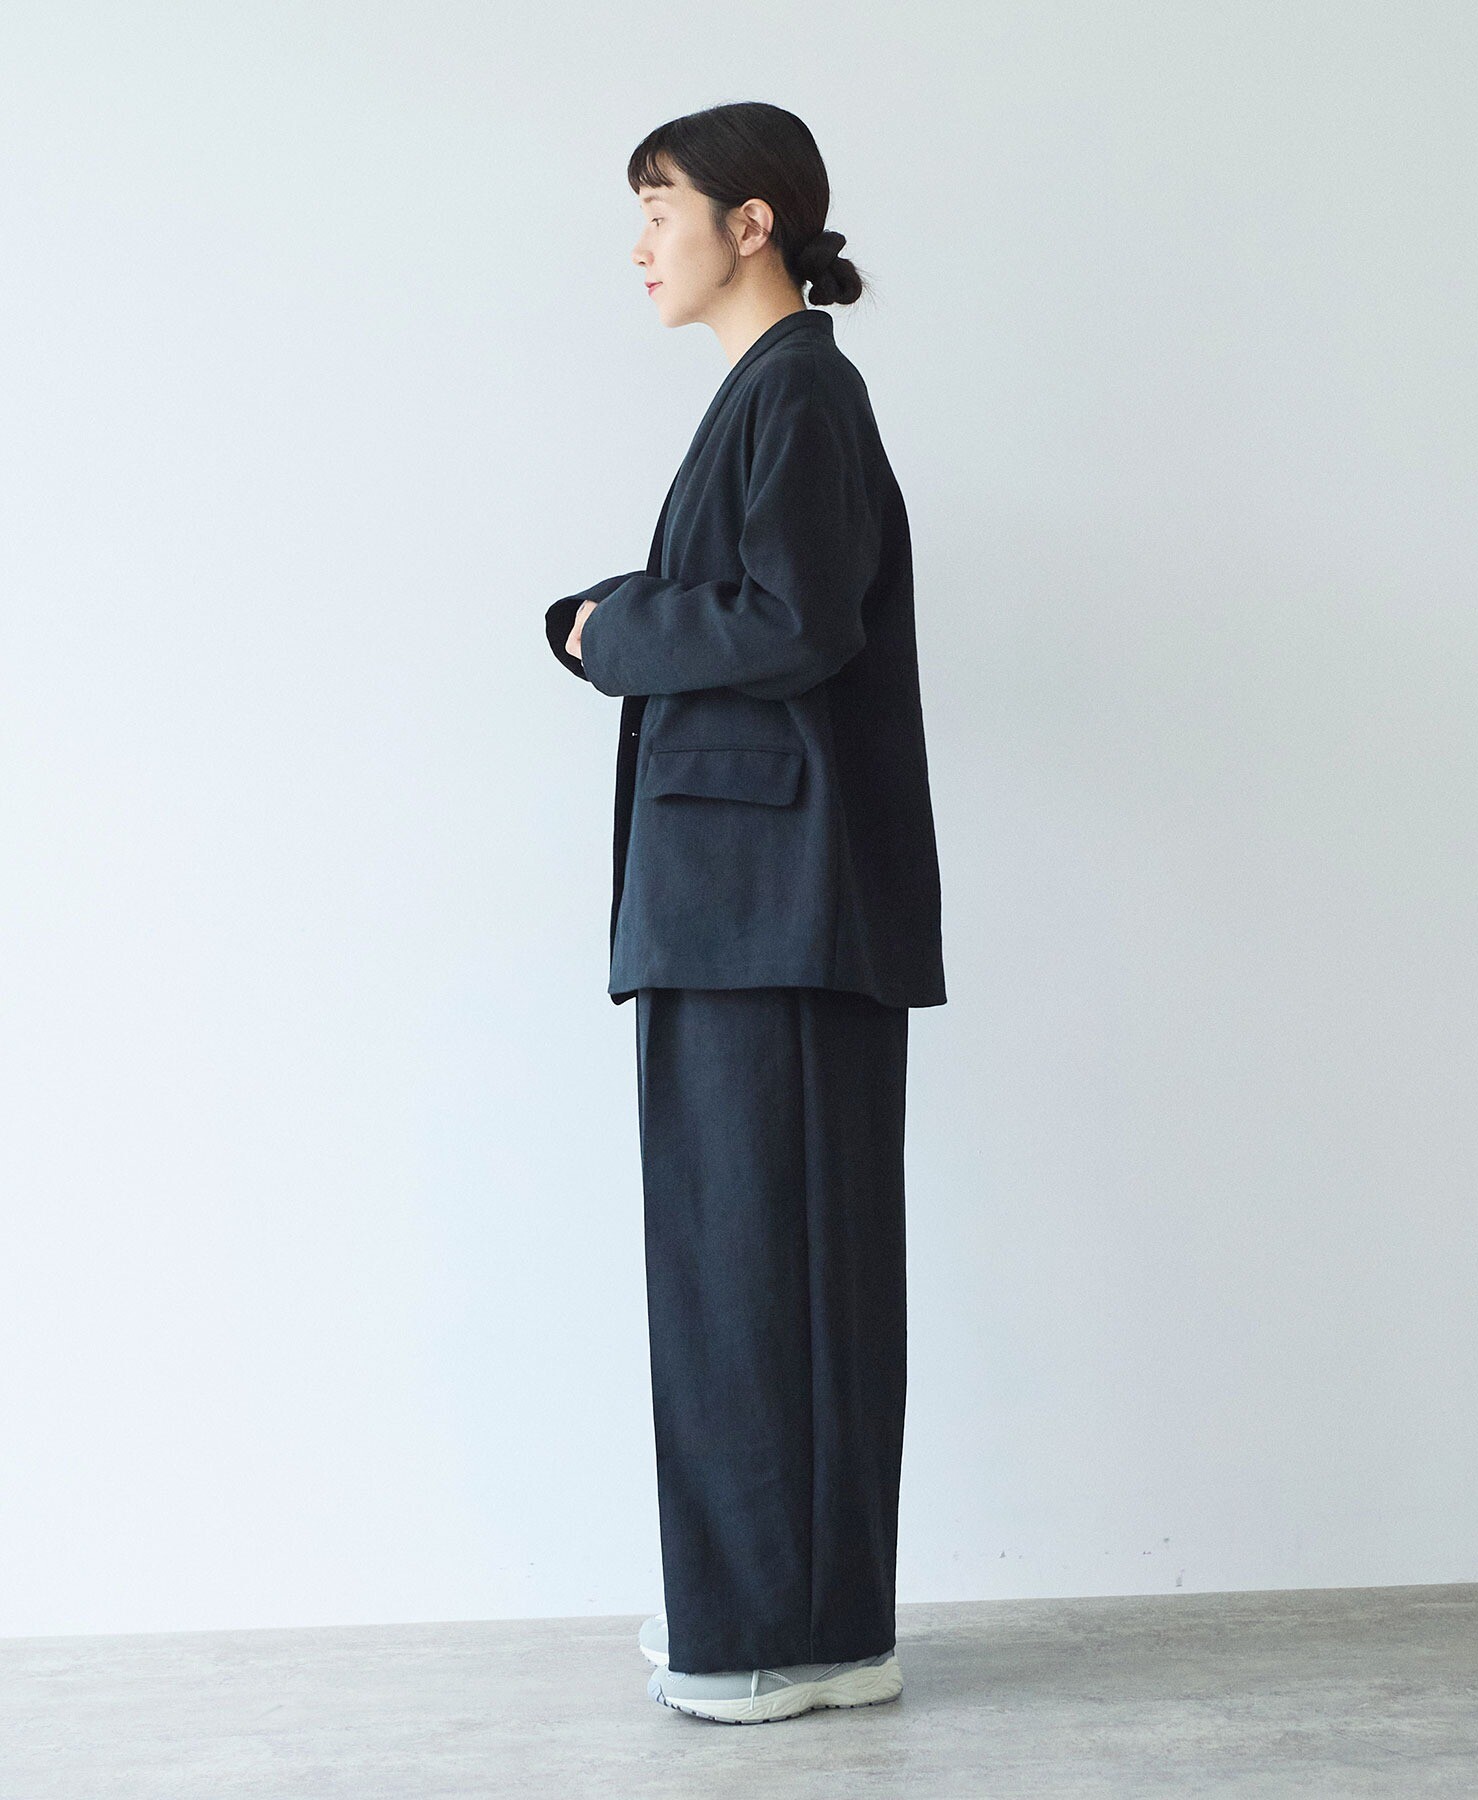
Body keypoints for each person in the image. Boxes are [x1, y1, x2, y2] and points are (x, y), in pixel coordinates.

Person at [543, 101, 946, 1725]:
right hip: (753, 905)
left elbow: (792, 620)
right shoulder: (777, 393)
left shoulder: (801, 393)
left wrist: (611, 628)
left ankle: (777, 1631)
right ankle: (794, 1615)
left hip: (770, 908)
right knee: (761, 1259)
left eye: (662, 207)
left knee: (757, 1263)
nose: (641, 243)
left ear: (751, 221)